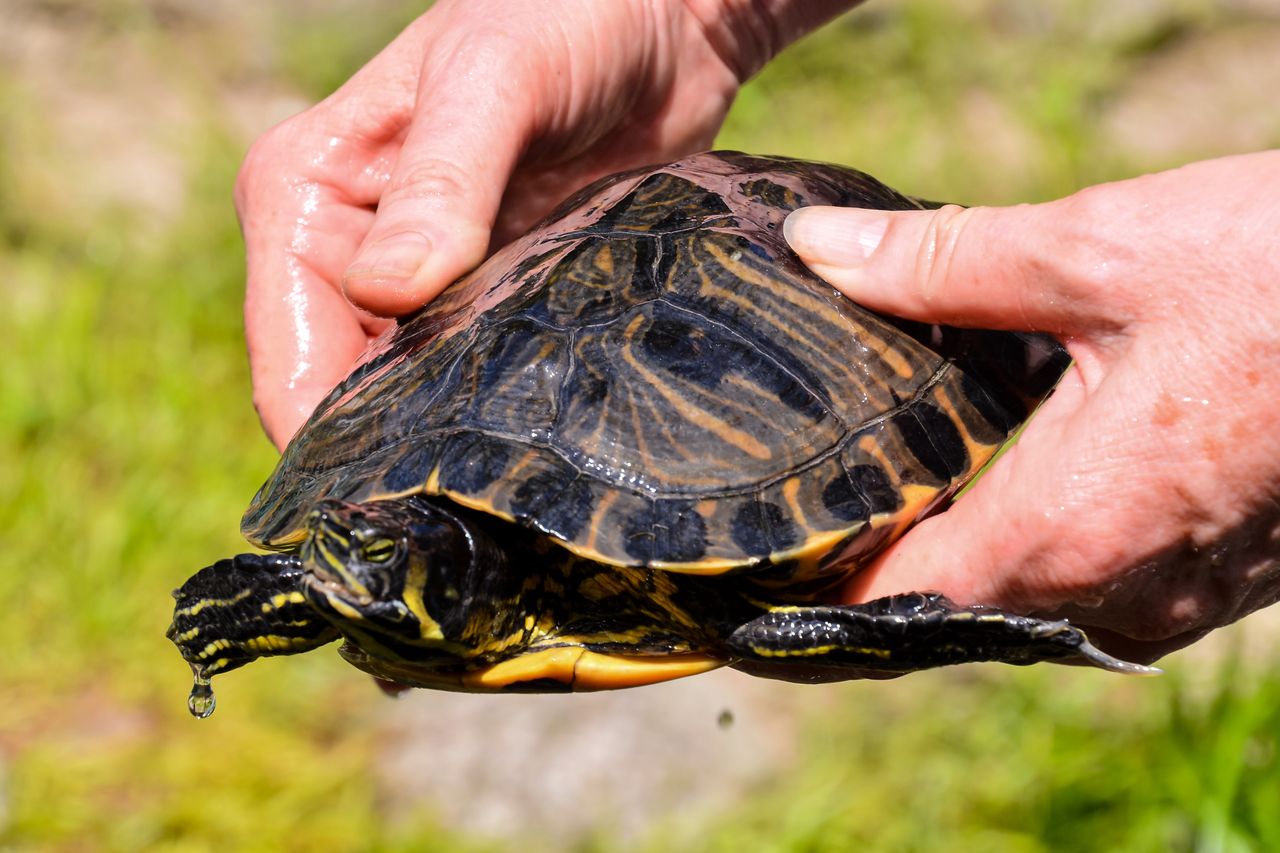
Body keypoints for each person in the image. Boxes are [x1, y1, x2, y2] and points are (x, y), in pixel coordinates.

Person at [234, 0, 1280, 663]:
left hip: (796, 307)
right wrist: (687, 12)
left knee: (780, 631)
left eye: (361, 553)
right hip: (592, 265)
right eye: (362, 551)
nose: (340, 560)